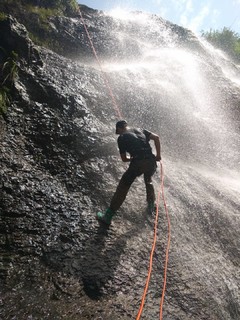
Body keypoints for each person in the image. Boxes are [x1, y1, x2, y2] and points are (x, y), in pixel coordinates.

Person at [96, 120, 161, 225]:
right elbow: (157, 138)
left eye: (118, 130)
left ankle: (108, 216)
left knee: (123, 187)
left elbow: (124, 159)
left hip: (138, 163)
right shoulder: (140, 130)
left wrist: (133, 158)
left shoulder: (121, 138)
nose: (118, 133)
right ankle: (150, 205)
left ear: (120, 128)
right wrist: (158, 156)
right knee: (148, 179)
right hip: (151, 161)